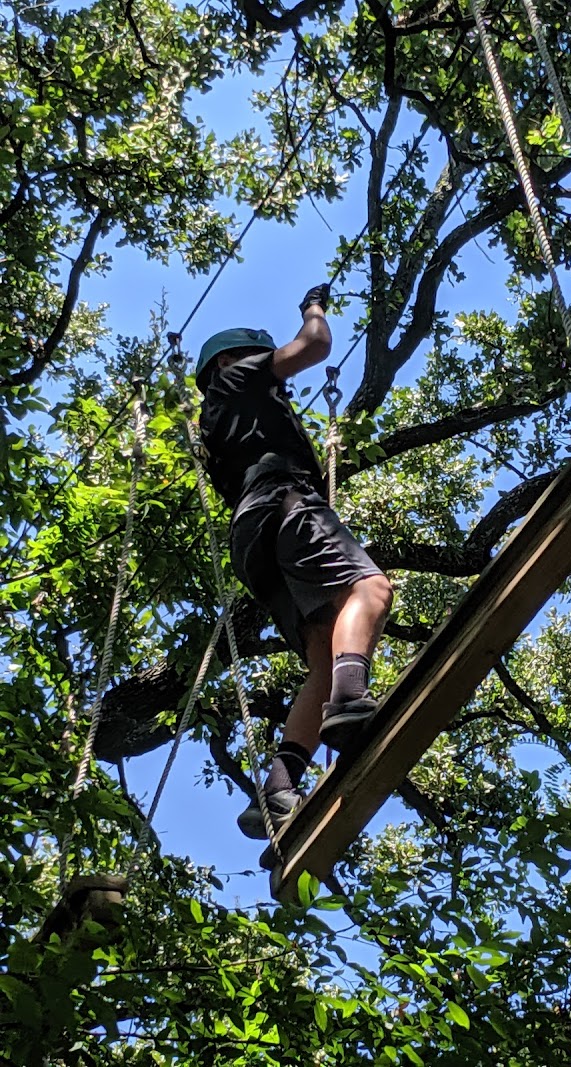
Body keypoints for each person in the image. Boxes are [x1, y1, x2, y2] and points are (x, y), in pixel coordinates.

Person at [195, 283, 393, 845]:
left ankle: (279, 786)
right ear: (236, 358)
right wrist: (313, 310)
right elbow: (313, 346)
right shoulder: (236, 376)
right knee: (372, 590)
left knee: (324, 655)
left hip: (253, 541)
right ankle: (351, 702)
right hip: (284, 503)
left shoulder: (222, 419)